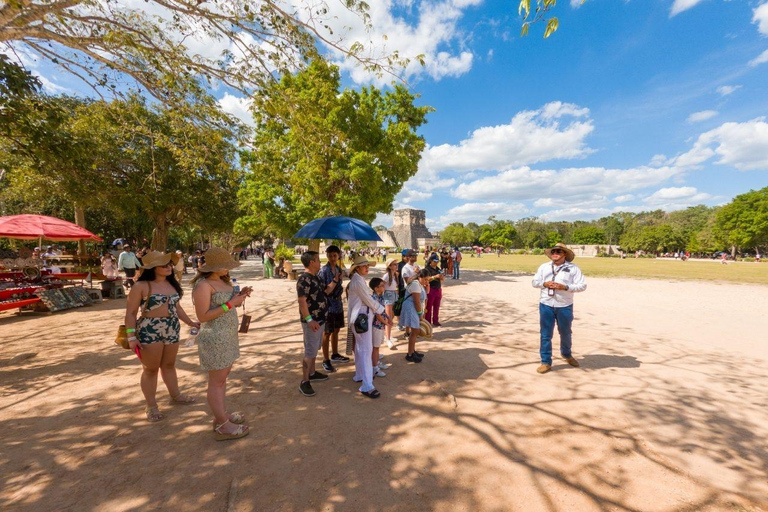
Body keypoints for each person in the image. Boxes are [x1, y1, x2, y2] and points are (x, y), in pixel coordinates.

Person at [125, 251, 201, 422]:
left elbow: (177, 308)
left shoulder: (172, 284)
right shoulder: (141, 286)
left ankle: (176, 395)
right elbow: (130, 313)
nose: (169, 267)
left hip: (172, 328)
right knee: (150, 369)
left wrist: (190, 322)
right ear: (152, 268)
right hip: (149, 329)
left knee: (169, 365)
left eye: (169, 264)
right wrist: (131, 337)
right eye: (164, 265)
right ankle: (151, 406)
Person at [192, 247, 253, 440]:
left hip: (227, 336)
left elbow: (230, 303)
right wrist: (230, 303)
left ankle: (221, 416)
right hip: (214, 338)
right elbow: (203, 316)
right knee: (216, 382)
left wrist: (240, 296)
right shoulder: (203, 285)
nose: (228, 269)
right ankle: (222, 424)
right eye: (225, 265)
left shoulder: (222, 281)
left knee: (221, 380)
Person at [531, 243, 587, 374]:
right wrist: (544, 284)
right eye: (553, 251)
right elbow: (534, 282)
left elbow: (582, 285)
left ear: (565, 254)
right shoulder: (544, 267)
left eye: (558, 251)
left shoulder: (573, 268)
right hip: (546, 304)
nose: (555, 253)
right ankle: (545, 362)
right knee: (545, 334)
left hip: (564, 306)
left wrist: (566, 287)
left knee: (566, 332)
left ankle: (567, 354)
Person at [347, 254, 387, 399]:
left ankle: (360, 375)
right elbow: (368, 299)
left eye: (367, 266)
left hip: (361, 317)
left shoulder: (358, 280)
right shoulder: (357, 281)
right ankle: (367, 385)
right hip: (361, 318)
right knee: (365, 349)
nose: (367, 268)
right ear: (357, 268)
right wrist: (381, 310)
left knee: (361, 348)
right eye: (364, 266)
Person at [296, 251, 331, 397]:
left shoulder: (315, 277)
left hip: (320, 319)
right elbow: (302, 302)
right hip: (313, 321)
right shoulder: (304, 279)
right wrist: (309, 320)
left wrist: (335, 280)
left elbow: (326, 291)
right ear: (311, 262)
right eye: (317, 259)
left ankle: (312, 372)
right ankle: (305, 381)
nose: (320, 261)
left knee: (315, 348)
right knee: (310, 351)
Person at [317, 245, 350, 373]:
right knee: (327, 332)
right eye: (330, 255)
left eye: (335, 255)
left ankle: (335, 353)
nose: (332, 258)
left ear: (338, 256)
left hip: (337, 304)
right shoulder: (324, 271)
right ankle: (325, 359)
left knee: (336, 330)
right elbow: (323, 291)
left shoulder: (338, 268)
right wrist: (336, 280)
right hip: (328, 305)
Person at [400, 269, 430, 363]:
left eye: (428, 279)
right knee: (415, 331)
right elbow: (417, 302)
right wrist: (420, 314)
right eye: (425, 279)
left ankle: (412, 351)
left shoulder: (419, 284)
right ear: (420, 277)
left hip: (413, 307)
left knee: (415, 331)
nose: (426, 281)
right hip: (411, 308)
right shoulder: (416, 285)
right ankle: (409, 354)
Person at [369, 278, 390, 377]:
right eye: (381, 285)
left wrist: (388, 317)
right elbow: (378, 314)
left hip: (380, 325)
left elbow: (382, 310)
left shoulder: (380, 296)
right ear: (376, 288)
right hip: (376, 325)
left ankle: (376, 362)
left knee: (377, 347)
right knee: (375, 348)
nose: (383, 287)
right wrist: (386, 322)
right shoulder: (374, 298)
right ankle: (375, 368)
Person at [381, 258, 399, 349]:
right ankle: (388, 339)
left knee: (391, 316)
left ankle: (387, 335)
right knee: (388, 318)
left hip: (393, 295)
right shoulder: (387, 276)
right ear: (390, 266)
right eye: (394, 264)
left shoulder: (394, 275)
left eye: (396, 264)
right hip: (388, 296)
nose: (396, 266)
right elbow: (381, 286)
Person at [425, 254, 445, 327]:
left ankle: (436, 321)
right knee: (429, 307)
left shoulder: (438, 269)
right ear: (431, 261)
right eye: (435, 261)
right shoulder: (427, 269)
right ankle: (428, 322)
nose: (436, 262)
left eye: (437, 261)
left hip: (438, 289)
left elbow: (442, 278)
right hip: (431, 289)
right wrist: (434, 277)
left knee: (437, 306)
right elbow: (426, 279)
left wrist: (442, 277)